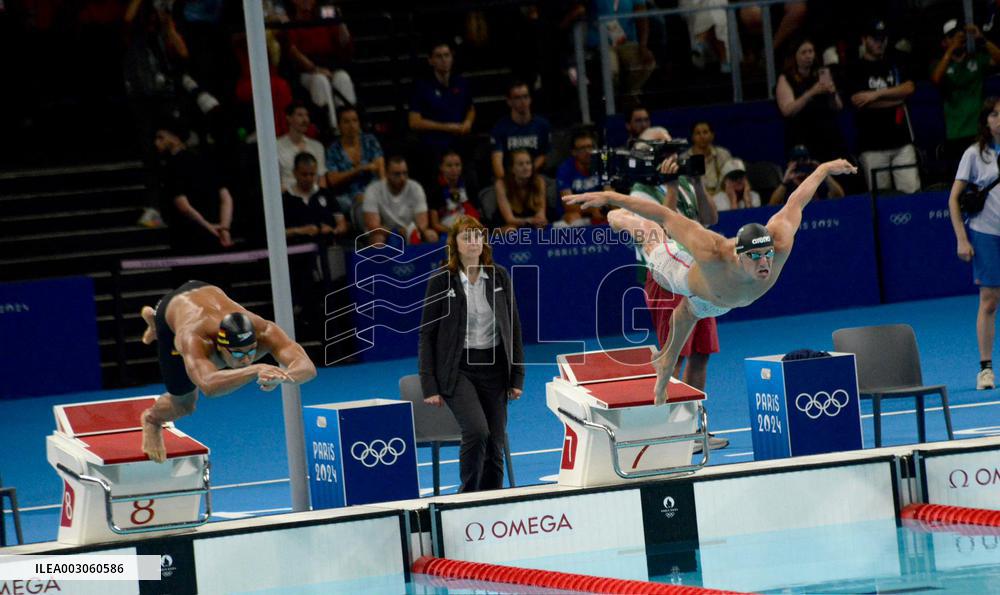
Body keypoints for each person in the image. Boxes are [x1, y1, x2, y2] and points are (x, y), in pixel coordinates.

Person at [564, 158, 857, 403]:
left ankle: (666, 360)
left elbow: (797, 201)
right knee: (651, 230)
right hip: (681, 275)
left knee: (689, 313)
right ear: (738, 255)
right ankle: (621, 217)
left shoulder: (779, 241)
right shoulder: (712, 250)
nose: (765, 262)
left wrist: (824, 169)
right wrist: (610, 198)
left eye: (766, 254)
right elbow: (665, 213)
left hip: (717, 302)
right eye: (755, 256)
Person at [138, 282, 317, 462]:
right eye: (238, 353)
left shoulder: (265, 331)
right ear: (219, 345)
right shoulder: (195, 338)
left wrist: (284, 378)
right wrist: (256, 369)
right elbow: (208, 386)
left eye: (251, 351)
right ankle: (152, 420)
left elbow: (307, 367)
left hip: (204, 289)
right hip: (171, 311)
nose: (246, 359)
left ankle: (152, 323)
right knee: (184, 403)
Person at [628, 127, 722, 451]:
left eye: (673, 146)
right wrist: (669, 189)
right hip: (664, 276)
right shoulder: (639, 192)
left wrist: (695, 182)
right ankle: (670, 433)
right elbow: (660, 234)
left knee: (700, 354)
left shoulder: (684, 182)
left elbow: (710, 218)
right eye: (663, 148)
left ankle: (695, 431)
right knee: (675, 356)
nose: (672, 154)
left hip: (698, 272)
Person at [418, 215, 525, 492]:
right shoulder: (442, 280)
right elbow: (427, 335)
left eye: (477, 236)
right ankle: (467, 497)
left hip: (495, 369)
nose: (473, 241)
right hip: (458, 370)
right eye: (466, 236)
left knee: (495, 441)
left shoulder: (499, 275)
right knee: (478, 431)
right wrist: (429, 384)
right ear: (454, 244)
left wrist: (517, 377)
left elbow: (513, 327)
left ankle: (492, 499)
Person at [948, 97, 1000, 391]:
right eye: (993, 114)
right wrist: (961, 238)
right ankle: (985, 369)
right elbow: (953, 199)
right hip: (986, 233)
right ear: (985, 120)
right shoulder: (974, 155)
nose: (999, 119)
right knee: (990, 301)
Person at [846, 19, 920, 194]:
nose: (880, 43)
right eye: (875, 39)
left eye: (883, 39)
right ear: (864, 40)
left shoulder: (895, 61)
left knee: (912, 194)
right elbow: (858, 101)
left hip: (902, 143)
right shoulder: (855, 68)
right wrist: (896, 98)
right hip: (872, 147)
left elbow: (909, 88)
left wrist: (874, 95)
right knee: (881, 200)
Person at [154, 120, 235, 255]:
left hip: (188, 236)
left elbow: (183, 206)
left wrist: (209, 228)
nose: (156, 143)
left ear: (175, 138)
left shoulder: (171, 167)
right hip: (216, 232)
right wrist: (224, 228)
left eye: (161, 137)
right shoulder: (206, 158)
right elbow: (226, 198)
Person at [932, 20, 1000, 169]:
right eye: (952, 36)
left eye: (960, 34)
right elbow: (936, 79)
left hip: (979, 131)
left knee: (986, 175)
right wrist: (950, 50)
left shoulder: (977, 58)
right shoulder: (941, 63)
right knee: (962, 179)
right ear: (944, 42)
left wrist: (982, 40)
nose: (958, 38)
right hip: (955, 133)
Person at [408, 40, 475, 177]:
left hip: (459, 141)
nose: (444, 60)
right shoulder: (421, 86)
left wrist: (468, 122)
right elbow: (414, 122)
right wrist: (447, 127)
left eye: (447, 55)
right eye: (439, 56)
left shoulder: (461, 82)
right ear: (430, 60)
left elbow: (471, 108)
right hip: (434, 144)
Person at [775, 36, 846, 163]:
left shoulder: (821, 74)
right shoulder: (786, 78)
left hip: (828, 137)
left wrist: (832, 93)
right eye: (804, 52)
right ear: (794, 56)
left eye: (811, 51)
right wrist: (811, 93)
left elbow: (838, 107)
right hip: (803, 138)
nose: (809, 56)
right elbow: (787, 110)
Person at [362, 156, 437, 246]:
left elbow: (423, 223)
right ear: (386, 174)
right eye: (397, 174)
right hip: (385, 233)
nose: (402, 178)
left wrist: (410, 232)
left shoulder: (416, 188)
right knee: (377, 239)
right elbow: (373, 226)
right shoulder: (373, 189)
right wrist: (396, 233)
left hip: (411, 231)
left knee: (431, 235)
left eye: (405, 173)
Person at [325, 106, 385, 215]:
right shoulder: (333, 149)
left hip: (373, 190)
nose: (352, 125)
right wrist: (358, 169)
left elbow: (380, 170)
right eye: (346, 122)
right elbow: (333, 180)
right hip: (348, 195)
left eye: (354, 120)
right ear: (339, 126)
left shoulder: (370, 141)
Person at [490, 81, 551, 179]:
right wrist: (507, 181)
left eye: (525, 96)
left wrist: (527, 172)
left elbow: (544, 155)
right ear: (509, 101)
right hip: (509, 177)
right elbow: (497, 162)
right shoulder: (500, 128)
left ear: (530, 99)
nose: (522, 101)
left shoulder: (542, 125)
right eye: (517, 98)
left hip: (536, 176)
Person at [556, 128, 605, 226]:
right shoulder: (565, 169)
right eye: (582, 148)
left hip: (599, 210)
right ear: (574, 152)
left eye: (590, 147)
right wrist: (591, 209)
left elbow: (609, 192)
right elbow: (568, 205)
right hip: (578, 212)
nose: (587, 151)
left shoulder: (602, 164)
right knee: (573, 217)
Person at [769, 145, 844, 205]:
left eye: (804, 159)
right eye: (796, 159)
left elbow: (840, 197)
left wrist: (825, 174)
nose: (801, 162)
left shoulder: (818, 182)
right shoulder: (786, 186)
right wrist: (785, 181)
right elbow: (772, 205)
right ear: (789, 163)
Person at [277, 102, 327, 192]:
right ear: (288, 118)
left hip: (313, 197)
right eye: (300, 115)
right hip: (288, 196)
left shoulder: (317, 146)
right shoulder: (276, 146)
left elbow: (321, 179)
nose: (305, 120)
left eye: (307, 115)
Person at [429, 150, 480, 235]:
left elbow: (475, 211)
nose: (454, 169)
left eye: (457, 165)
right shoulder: (435, 189)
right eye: (449, 166)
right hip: (447, 231)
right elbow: (435, 224)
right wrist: (454, 232)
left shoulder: (468, 184)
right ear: (441, 167)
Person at [496, 149, 548, 230]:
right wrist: (529, 221)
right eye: (520, 164)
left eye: (528, 163)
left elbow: (541, 215)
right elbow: (509, 219)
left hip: (532, 223)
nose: (526, 167)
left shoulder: (539, 182)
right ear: (512, 168)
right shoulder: (501, 184)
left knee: (541, 227)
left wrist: (539, 221)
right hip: (508, 225)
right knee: (511, 230)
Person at [680, 121, 732, 196]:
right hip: (697, 197)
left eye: (705, 132)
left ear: (712, 135)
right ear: (692, 137)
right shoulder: (684, 158)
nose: (702, 136)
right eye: (698, 133)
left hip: (721, 196)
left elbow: (731, 179)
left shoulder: (723, 154)